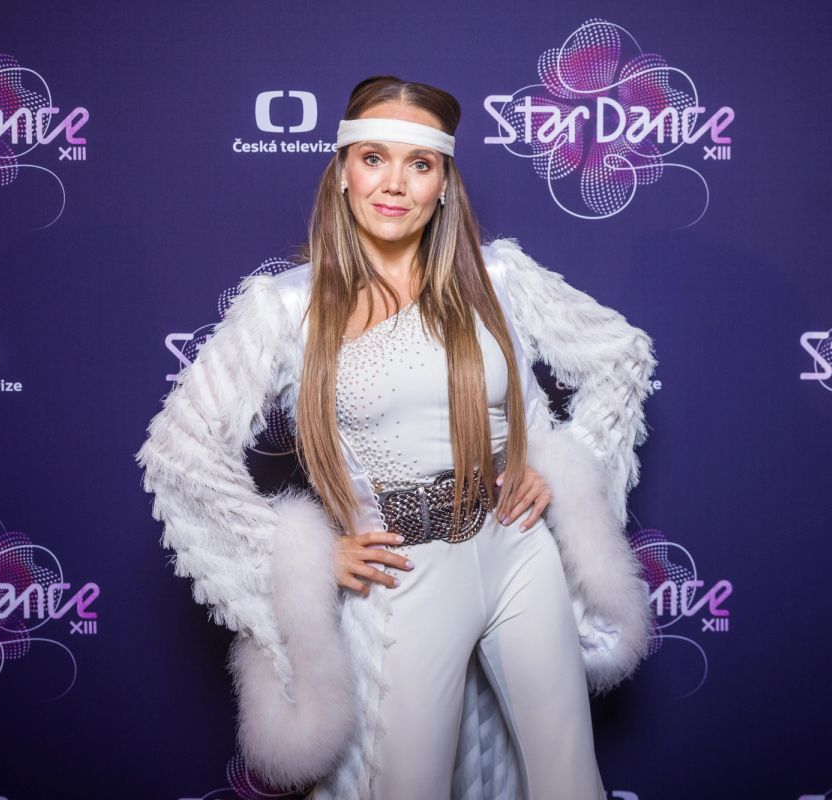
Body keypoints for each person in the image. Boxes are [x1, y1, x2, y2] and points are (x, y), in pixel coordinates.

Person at [136, 75, 658, 800]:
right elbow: (180, 448)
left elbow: (620, 356)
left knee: (569, 781)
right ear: (343, 172)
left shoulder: (499, 278)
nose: (394, 183)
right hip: (404, 575)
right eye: (374, 158)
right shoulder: (287, 308)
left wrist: (558, 465)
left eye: (420, 164)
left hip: (520, 552)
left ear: (443, 184)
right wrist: (302, 555)